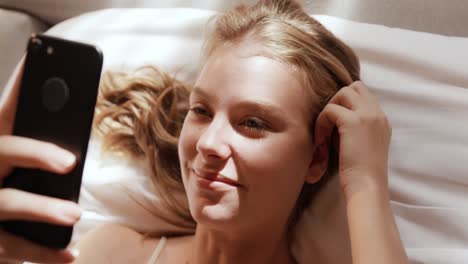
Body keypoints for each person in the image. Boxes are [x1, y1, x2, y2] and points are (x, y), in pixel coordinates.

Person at [0, 0, 407, 263]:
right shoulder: (115, 250)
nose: (209, 143)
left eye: (253, 123)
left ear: (317, 157)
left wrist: (366, 183)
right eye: (201, 110)